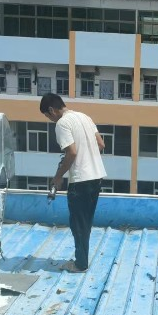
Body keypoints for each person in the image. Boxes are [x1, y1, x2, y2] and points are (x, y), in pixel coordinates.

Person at [40, 93, 106, 273]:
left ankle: (80, 264)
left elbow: (72, 152)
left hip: (81, 181)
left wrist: (58, 176)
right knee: (86, 222)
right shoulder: (85, 117)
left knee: (78, 223)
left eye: (48, 116)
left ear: (52, 110)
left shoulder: (62, 124)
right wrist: (89, 159)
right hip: (96, 176)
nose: (50, 120)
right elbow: (100, 144)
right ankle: (82, 259)